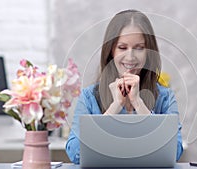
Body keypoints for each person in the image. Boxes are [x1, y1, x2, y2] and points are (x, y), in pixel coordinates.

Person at [66, 9, 184, 164]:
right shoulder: (89, 97)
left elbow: (174, 152)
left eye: (139, 47)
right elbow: (75, 153)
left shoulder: (165, 97)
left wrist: (138, 103)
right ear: (111, 51)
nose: (130, 57)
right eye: (122, 47)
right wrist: (116, 106)